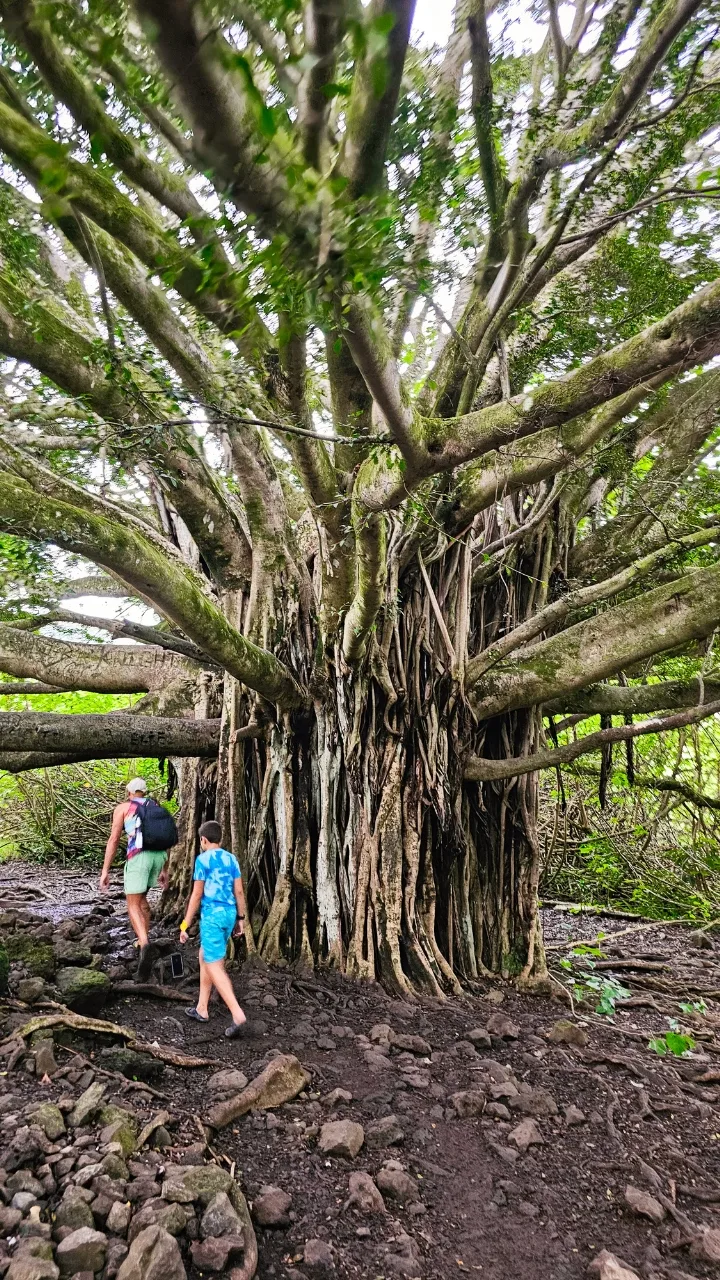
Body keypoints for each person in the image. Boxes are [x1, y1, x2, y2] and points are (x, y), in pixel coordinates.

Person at [180, 819, 247, 1038]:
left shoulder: (203, 860)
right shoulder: (231, 859)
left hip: (212, 917)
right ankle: (202, 1008)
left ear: (203, 840)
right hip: (229, 915)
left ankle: (237, 1014)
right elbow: (238, 892)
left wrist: (185, 924)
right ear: (221, 839)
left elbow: (197, 895)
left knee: (214, 964)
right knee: (205, 955)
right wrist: (241, 918)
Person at [99, 777, 169, 981]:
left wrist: (105, 870)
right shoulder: (155, 807)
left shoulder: (123, 808)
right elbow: (164, 836)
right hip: (158, 856)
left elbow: (113, 840)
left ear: (129, 792)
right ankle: (142, 943)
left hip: (139, 857)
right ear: (144, 792)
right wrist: (164, 868)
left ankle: (145, 943)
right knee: (142, 900)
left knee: (132, 904)